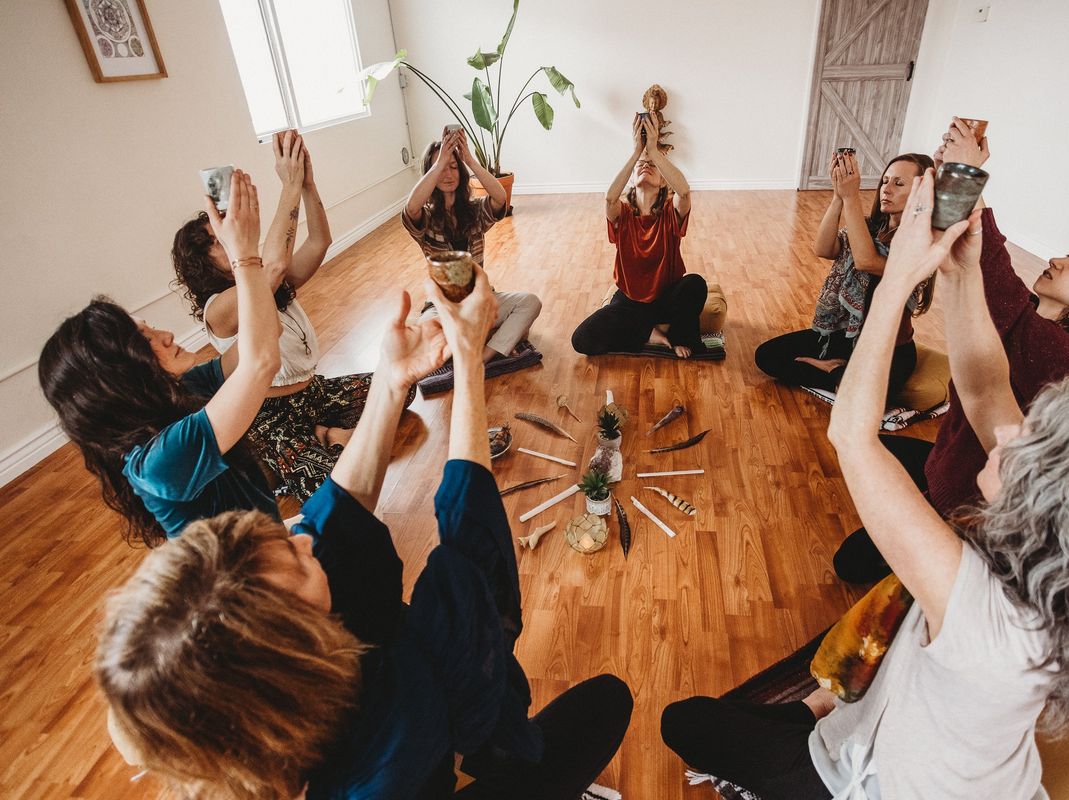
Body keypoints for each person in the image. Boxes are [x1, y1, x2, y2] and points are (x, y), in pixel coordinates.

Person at [661, 171, 1069, 799]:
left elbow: (854, 437)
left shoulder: (979, 608)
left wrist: (897, 282)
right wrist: (960, 267)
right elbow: (983, 388)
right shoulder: (1064, 582)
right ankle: (821, 707)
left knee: (686, 721)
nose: (1007, 433)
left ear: (1056, 503)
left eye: (1033, 443)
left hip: (866, 783)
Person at [95, 266, 634, 799]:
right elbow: (474, 555)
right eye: (297, 561)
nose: (303, 538)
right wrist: (468, 361)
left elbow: (336, 515)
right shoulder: (394, 735)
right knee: (604, 703)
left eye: (285, 539)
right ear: (298, 647)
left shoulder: (261, 700)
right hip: (426, 743)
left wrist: (392, 378)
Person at [833, 118, 1069, 583]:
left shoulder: (1067, 359)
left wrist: (965, 177)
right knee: (874, 460)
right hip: (951, 464)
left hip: (970, 502)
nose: (1058, 259)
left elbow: (988, 276)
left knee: (851, 561)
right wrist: (953, 183)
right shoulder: (1039, 327)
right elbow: (970, 273)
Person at [40, 171, 281, 545]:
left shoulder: (181, 392)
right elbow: (262, 361)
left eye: (150, 327)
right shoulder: (159, 462)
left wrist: (243, 255)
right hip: (251, 596)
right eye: (147, 340)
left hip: (275, 555)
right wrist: (244, 256)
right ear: (120, 375)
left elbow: (263, 341)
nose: (166, 335)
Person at [172, 131, 382, 502]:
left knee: (399, 385)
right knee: (339, 488)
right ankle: (320, 440)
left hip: (312, 392)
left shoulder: (271, 280)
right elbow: (270, 267)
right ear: (202, 263)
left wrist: (306, 185)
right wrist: (287, 183)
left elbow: (319, 241)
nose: (229, 237)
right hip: (272, 416)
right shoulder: (218, 310)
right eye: (218, 239)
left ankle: (321, 433)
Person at [754, 152, 934, 400]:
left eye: (899, 183)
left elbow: (867, 261)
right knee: (767, 356)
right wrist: (839, 197)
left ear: (922, 192)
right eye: (885, 181)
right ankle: (838, 373)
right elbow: (823, 248)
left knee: (866, 399)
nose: (886, 189)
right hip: (845, 336)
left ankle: (835, 372)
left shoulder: (923, 243)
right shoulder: (870, 228)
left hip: (888, 351)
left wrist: (852, 198)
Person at [572, 113, 706, 359]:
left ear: (663, 183)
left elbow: (684, 192)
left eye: (652, 166)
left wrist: (654, 152)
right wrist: (637, 152)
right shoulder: (622, 213)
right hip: (630, 301)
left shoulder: (670, 212)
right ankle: (653, 333)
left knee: (695, 284)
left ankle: (664, 335)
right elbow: (610, 197)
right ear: (631, 180)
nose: (646, 166)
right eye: (640, 167)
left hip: (667, 298)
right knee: (581, 339)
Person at [404, 127, 542, 364]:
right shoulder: (425, 219)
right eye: (440, 167)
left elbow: (500, 198)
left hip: (480, 302)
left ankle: (484, 357)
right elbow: (411, 208)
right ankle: (497, 338)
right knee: (423, 334)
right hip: (444, 308)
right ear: (430, 172)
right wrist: (442, 162)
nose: (447, 173)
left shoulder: (475, 212)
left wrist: (468, 158)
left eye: (453, 166)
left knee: (530, 302)